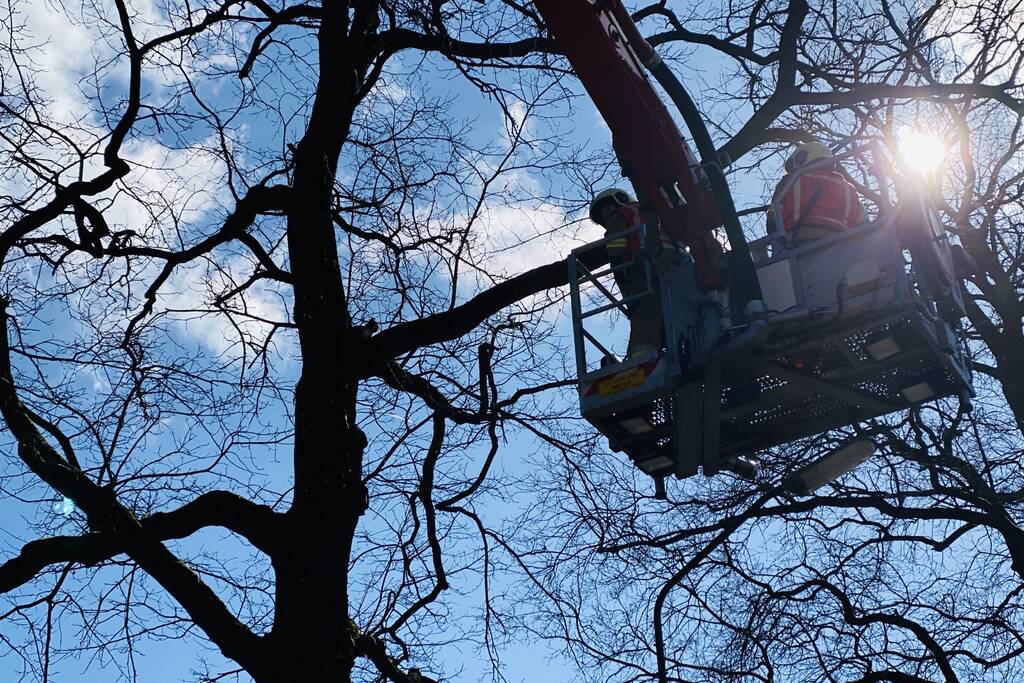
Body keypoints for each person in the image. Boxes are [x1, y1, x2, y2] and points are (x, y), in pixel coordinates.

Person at [590, 188, 677, 358]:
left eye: (607, 208)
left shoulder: (621, 213)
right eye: (603, 213)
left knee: (644, 308)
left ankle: (642, 357)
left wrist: (619, 265)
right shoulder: (653, 212)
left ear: (619, 201)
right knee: (669, 307)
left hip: (642, 266)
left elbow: (616, 245)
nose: (606, 214)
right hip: (673, 264)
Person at [767, 141, 868, 243]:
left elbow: (772, 221)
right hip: (844, 244)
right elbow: (864, 223)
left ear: (804, 157)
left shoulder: (788, 182)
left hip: (800, 242)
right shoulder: (849, 188)